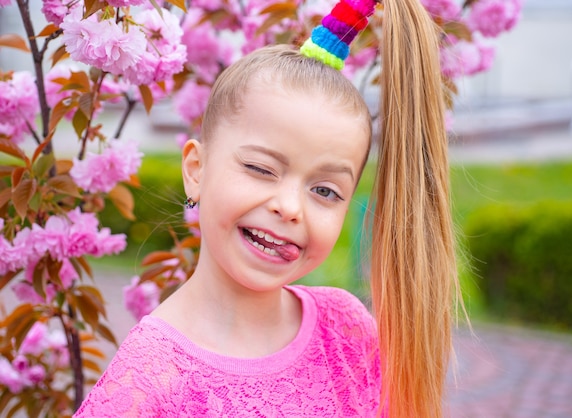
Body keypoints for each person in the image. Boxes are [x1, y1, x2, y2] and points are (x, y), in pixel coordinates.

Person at [75, 0, 457, 415]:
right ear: (196, 170)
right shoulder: (148, 380)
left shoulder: (345, 331)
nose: (291, 207)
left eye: (325, 191)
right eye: (261, 168)